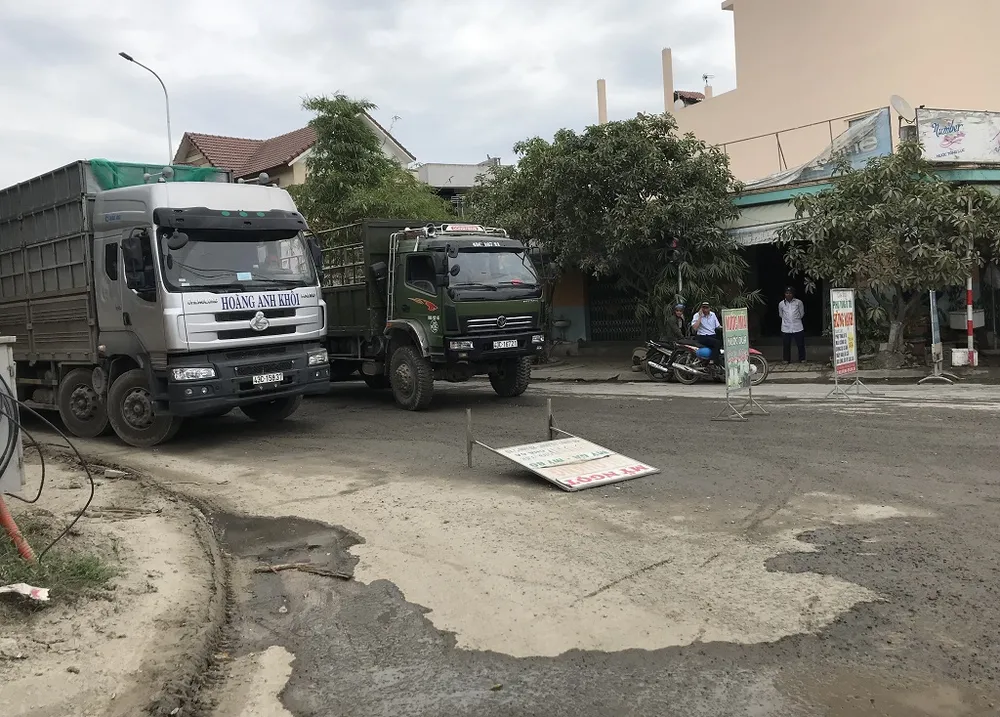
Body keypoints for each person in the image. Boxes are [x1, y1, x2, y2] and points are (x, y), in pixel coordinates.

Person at [779, 286, 806, 363]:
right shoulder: (781, 304)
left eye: (790, 293)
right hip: (786, 327)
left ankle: (802, 359)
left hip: (797, 326)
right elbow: (781, 314)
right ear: (784, 294)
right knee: (786, 345)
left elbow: (801, 313)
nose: (788, 295)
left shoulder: (798, 302)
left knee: (800, 344)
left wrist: (795, 319)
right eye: (787, 293)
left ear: (793, 294)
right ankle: (786, 359)